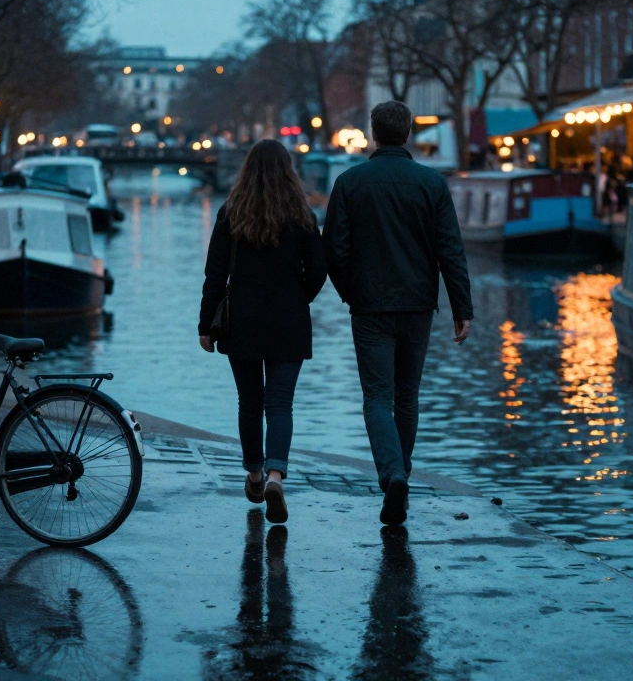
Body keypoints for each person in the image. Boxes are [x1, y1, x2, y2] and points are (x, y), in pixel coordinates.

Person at [322, 100, 474, 526]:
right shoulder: (431, 184)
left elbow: (333, 248)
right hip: (418, 305)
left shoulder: (350, 182)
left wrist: (351, 291)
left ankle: (391, 476)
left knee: (376, 397)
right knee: (407, 396)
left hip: (370, 305)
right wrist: (462, 307)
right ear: (407, 133)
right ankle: (400, 475)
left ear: (374, 133)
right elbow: (450, 249)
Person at [199, 139, 327, 525]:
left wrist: (206, 325)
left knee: (249, 403)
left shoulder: (230, 213)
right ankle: (276, 474)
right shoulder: (302, 215)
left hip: (243, 319)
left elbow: (214, 276)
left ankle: (254, 474)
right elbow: (319, 271)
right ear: (289, 172)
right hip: (289, 318)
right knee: (281, 404)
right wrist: (297, 296)